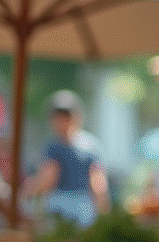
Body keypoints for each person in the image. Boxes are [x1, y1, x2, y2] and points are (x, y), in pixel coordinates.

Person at [23, 91, 109, 229]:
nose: (61, 121)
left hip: (60, 208)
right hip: (85, 210)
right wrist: (104, 212)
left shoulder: (54, 146)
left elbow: (49, 177)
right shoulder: (92, 145)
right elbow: (99, 185)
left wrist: (26, 193)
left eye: (64, 117)